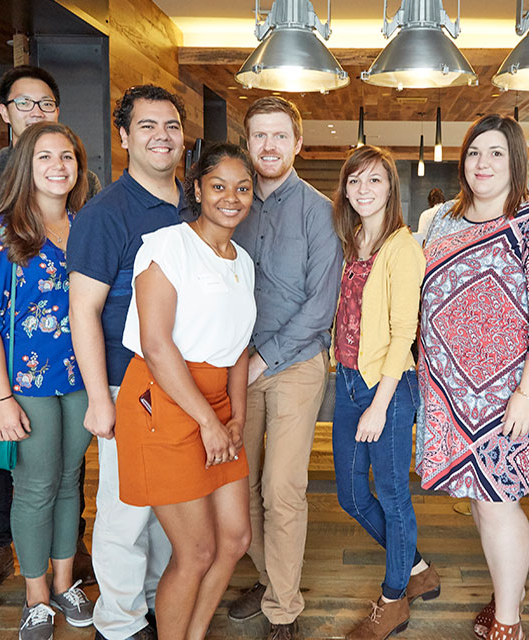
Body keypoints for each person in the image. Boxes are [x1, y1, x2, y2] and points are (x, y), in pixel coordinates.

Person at [416, 114, 529, 640]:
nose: (483, 163)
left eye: (497, 153)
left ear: (516, 162)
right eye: (475, 152)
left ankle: (508, 622)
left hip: (511, 389)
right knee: (482, 504)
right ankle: (513, 591)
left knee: (498, 500)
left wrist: (528, 392)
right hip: (451, 388)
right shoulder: (438, 220)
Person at [0, 63, 101, 601]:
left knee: (71, 484)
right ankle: (37, 597)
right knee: (36, 487)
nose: (58, 165)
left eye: (66, 156)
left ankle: (66, 584)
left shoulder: (88, 225)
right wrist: (0, 397)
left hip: (83, 376)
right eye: (44, 156)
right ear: (26, 163)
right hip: (26, 381)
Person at [115, 142, 255, 640]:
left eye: (243, 188)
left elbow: (239, 347)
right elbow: (155, 345)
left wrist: (235, 416)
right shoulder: (166, 246)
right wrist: (209, 422)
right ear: (197, 189)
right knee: (195, 551)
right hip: (165, 401)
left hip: (217, 406)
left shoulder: (243, 260)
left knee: (235, 538)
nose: (231, 198)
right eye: (219, 186)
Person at [68, 85, 192, 640]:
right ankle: (118, 623)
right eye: (147, 126)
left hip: (184, 384)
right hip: (128, 382)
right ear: (123, 137)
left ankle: (153, 602)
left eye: (170, 125)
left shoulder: (194, 202)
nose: (161, 136)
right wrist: (100, 397)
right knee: (126, 508)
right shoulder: (105, 213)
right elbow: (83, 310)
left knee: (170, 506)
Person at [228, 96, 343, 640]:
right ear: (248, 142)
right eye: (259, 136)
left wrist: (264, 357)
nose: (268, 146)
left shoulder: (321, 211)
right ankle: (267, 575)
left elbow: (321, 306)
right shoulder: (229, 204)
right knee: (238, 482)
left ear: (297, 143)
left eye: (279, 136)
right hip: (234, 362)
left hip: (295, 364)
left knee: (282, 487)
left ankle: (283, 609)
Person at [329, 145, 438, 640]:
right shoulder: (352, 240)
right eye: (355, 181)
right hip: (347, 380)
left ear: (391, 188)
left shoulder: (402, 246)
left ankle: (394, 599)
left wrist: (379, 403)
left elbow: (404, 332)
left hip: (387, 387)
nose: (363, 190)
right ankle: (415, 566)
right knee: (352, 495)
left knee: (393, 496)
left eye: (374, 181)